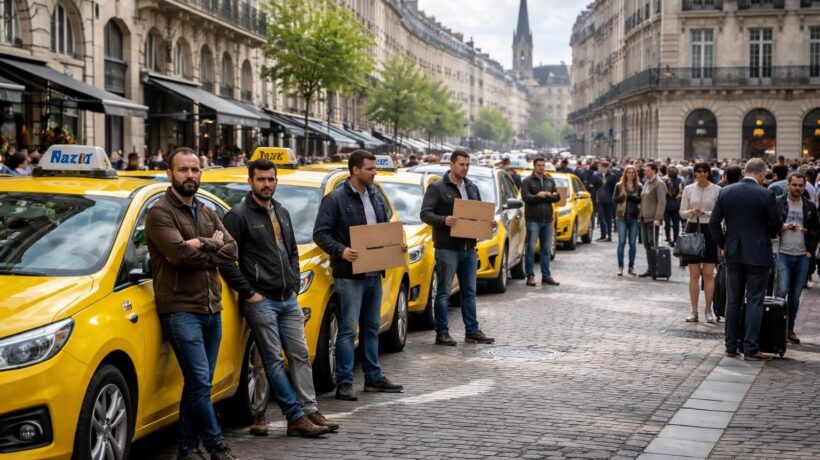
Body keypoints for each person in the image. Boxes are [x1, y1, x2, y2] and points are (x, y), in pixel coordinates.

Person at [221, 159, 337, 437]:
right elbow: (226, 261)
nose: (266, 184)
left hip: (287, 298)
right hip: (262, 301)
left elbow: (292, 251)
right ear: (250, 182)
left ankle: (309, 410)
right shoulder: (238, 216)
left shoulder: (281, 211)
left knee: (299, 356)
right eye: (261, 179)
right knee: (272, 359)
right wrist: (250, 293)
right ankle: (295, 416)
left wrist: (295, 282)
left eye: (271, 179)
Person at [144, 147, 239, 460]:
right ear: (170, 174)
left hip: (212, 309)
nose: (190, 176)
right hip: (181, 310)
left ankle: (186, 448)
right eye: (183, 170)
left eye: (195, 170)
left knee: (198, 385)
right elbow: (179, 256)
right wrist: (211, 246)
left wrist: (202, 243)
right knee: (199, 382)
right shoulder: (160, 213)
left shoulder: (207, 211)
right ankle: (216, 445)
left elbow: (233, 249)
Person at [313, 150, 406, 401]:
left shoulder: (375, 196)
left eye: (374, 169)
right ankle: (344, 382)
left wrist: (395, 246)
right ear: (356, 170)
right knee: (347, 330)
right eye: (370, 169)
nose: (374, 172)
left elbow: (383, 230)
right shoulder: (335, 199)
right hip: (349, 275)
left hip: (374, 272)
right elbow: (320, 234)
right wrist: (341, 251)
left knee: (372, 328)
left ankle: (373, 377)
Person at [421, 150, 497, 346]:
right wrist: (444, 220)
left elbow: (478, 214)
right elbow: (425, 214)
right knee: (444, 291)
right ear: (452, 165)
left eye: (467, 165)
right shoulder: (437, 187)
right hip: (447, 247)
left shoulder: (472, 187)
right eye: (461, 164)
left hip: (469, 247)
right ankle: (442, 332)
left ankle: (472, 330)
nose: (465, 168)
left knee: (469, 291)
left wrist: (488, 224)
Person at [710, 158, 783, 361]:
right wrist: (764, 232)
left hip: (734, 251)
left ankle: (731, 346)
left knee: (732, 301)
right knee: (755, 301)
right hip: (758, 253)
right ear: (761, 174)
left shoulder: (726, 191)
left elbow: (714, 222)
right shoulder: (766, 194)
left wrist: (724, 244)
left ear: (745, 171)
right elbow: (776, 224)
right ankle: (751, 348)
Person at [775, 172, 819, 345]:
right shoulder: (778, 202)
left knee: (794, 296)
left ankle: (789, 329)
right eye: (794, 185)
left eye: (801, 185)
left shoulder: (809, 206)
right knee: (781, 292)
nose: (798, 188)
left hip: (802, 255)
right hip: (783, 254)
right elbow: (770, 224)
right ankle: (777, 328)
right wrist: (782, 226)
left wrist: (810, 251)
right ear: (788, 184)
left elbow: (816, 229)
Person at [680, 162, 721, 323]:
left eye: (704, 171)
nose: (702, 174)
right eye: (699, 171)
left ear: (709, 173)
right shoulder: (688, 189)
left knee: (709, 274)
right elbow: (682, 213)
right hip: (692, 229)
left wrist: (706, 212)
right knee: (694, 274)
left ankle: (708, 310)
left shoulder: (717, 190)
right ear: (695, 173)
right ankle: (694, 311)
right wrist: (691, 211)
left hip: (710, 230)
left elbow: (720, 213)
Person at [520, 157, 561, 286]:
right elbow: (526, 197)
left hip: (548, 220)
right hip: (533, 220)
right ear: (534, 166)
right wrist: (538, 196)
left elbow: (557, 196)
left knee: (546, 249)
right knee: (531, 249)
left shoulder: (550, 180)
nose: (541, 167)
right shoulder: (527, 181)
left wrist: (551, 196)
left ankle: (546, 275)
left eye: (543, 165)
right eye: (539, 165)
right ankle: (530, 276)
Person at [638, 162, 668, 278]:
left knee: (652, 243)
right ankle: (650, 268)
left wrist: (658, 218)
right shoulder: (646, 182)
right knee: (646, 244)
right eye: (644, 170)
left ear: (654, 170)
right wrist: (640, 214)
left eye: (647, 170)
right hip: (644, 217)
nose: (644, 172)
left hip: (653, 218)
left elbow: (662, 202)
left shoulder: (659, 184)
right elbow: (643, 200)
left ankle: (655, 268)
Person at [614, 165, 642, 276]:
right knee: (621, 242)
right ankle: (620, 267)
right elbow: (614, 200)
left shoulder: (639, 186)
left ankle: (631, 267)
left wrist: (629, 196)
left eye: (633, 172)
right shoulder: (619, 185)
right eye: (628, 172)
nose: (631, 174)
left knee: (632, 243)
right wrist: (623, 197)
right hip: (622, 217)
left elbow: (641, 200)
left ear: (635, 174)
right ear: (625, 174)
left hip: (634, 218)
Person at [596, 161, 617, 242]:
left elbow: (615, 188)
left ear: (607, 168)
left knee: (608, 217)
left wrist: (613, 197)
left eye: (602, 167)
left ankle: (609, 236)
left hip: (609, 200)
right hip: (600, 199)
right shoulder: (597, 175)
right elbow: (594, 186)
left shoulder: (613, 176)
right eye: (600, 167)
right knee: (601, 217)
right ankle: (603, 235)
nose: (601, 168)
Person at [664, 166, 683, 246]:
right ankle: (675, 239)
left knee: (667, 223)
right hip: (676, 204)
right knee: (676, 223)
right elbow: (681, 193)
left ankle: (668, 238)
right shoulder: (679, 181)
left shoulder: (665, 181)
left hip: (667, 205)